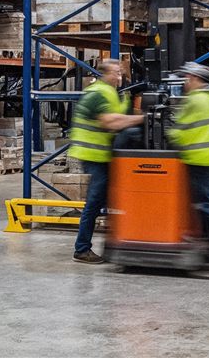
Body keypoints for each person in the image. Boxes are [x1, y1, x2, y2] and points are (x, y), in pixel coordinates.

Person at [70, 55, 144, 264]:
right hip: (93, 154)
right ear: (105, 74)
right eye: (116, 73)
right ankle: (81, 249)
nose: (119, 76)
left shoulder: (113, 93)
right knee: (94, 202)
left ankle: (116, 241)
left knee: (112, 198)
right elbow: (111, 122)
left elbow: (121, 114)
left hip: (104, 154)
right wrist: (143, 118)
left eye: (120, 73)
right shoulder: (97, 93)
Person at [168, 61, 209, 265]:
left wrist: (167, 133)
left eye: (188, 78)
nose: (185, 82)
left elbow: (179, 131)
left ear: (196, 79)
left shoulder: (194, 101)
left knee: (205, 205)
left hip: (197, 159)